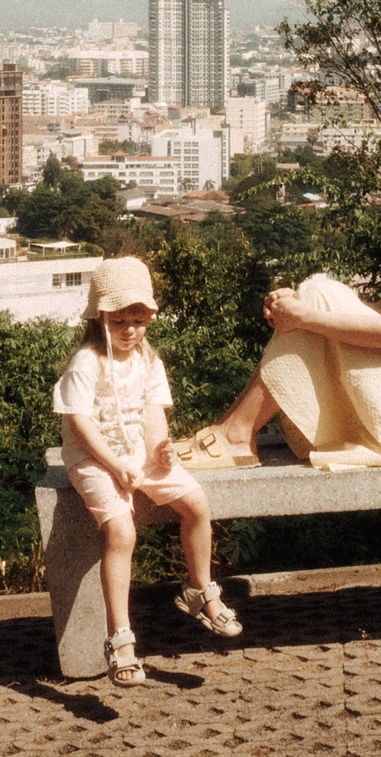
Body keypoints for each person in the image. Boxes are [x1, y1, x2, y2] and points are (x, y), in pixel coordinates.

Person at [174, 102, 381, 470]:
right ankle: (234, 431)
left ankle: (236, 434)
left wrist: (305, 317)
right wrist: (303, 307)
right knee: (318, 291)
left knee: (316, 302)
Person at [52, 255, 242, 687]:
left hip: (137, 453)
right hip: (92, 457)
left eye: (138, 321)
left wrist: (161, 451)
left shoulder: (147, 361)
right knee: (122, 532)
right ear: (101, 318)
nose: (130, 331)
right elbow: (80, 424)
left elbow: (154, 413)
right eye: (120, 321)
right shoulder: (87, 362)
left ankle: (199, 591)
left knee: (196, 503)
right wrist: (115, 465)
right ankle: (120, 638)